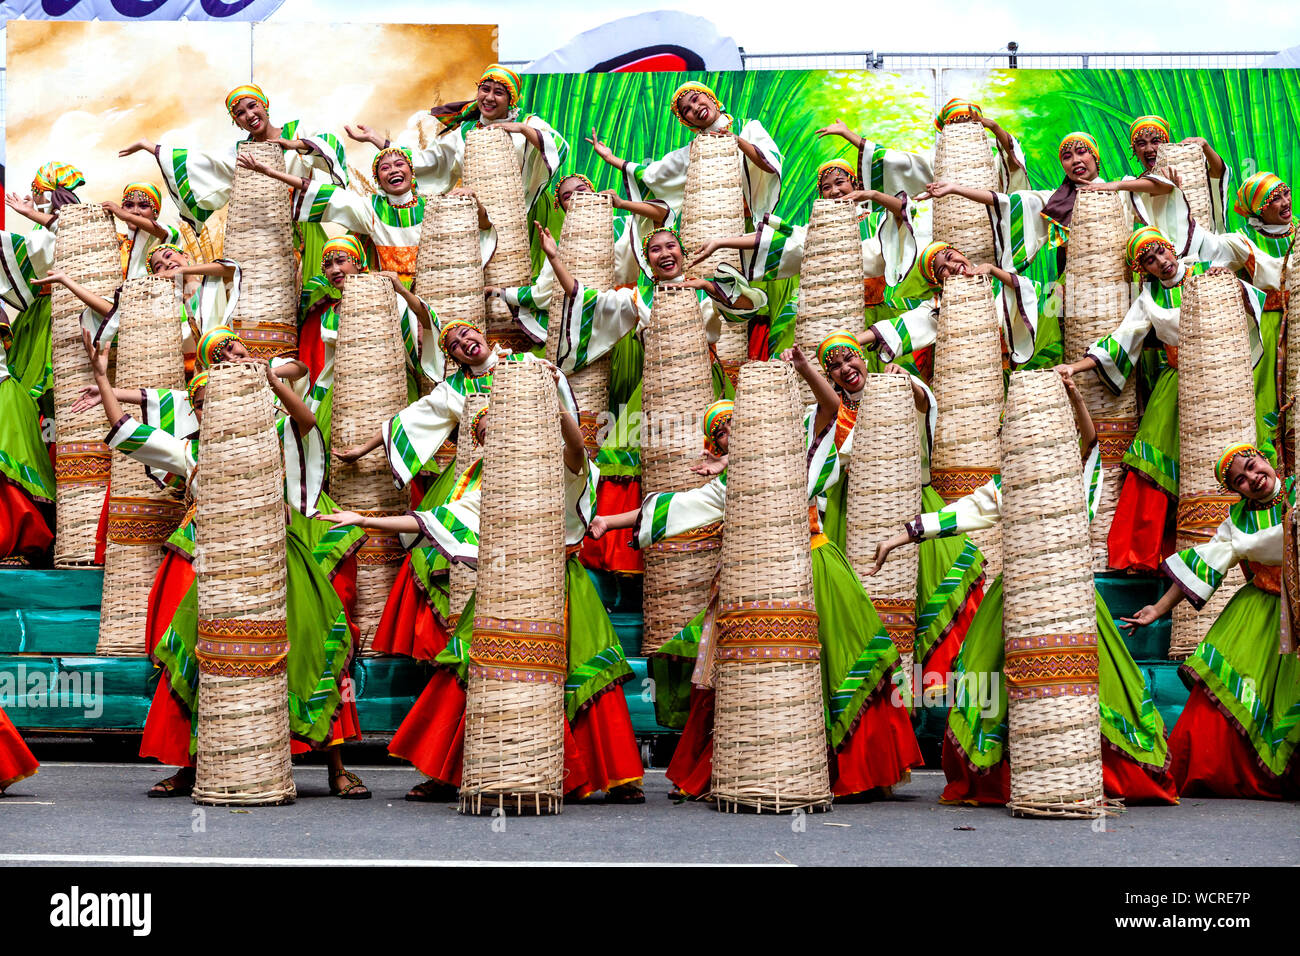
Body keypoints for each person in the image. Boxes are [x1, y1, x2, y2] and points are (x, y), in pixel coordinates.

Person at [319, 377, 646, 804]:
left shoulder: (554, 471)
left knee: (587, 671)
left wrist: (556, 408)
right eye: (487, 433)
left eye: (503, 426)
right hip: (502, 588)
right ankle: (449, 773)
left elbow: (576, 451)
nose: (495, 435)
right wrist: (364, 520)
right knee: (467, 667)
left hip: (560, 585)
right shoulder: (485, 492)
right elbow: (426, 522)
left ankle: (614, 776)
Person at [867, 368, 1177, 805]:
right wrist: (895, 539)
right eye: (1014, 437)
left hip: (1069, 599)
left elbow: (1090, 444)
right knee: (997, 680)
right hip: (1016, 596)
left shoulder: (1072, 477)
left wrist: (1074, 396)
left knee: (1085, 684)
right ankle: (1018, 771)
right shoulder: (1002, 489)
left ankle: (1082, 770)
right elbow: (952, 517)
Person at [593, 390, 922, 799]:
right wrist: (609, 521)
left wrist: (802, 368)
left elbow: (830, 410)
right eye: (722, 433)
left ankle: (861, 773)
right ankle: (763, 767)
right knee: (755, 673)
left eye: (735, 421)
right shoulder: (728, 487)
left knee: (847, 659)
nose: (731, 431)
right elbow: (673, 508)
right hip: (759, 582)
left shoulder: (798, 454)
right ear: (718, 446)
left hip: (817, 566)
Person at [87, 337, 370, 798]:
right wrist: (101, 374)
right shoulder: (189, 456)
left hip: (278, 562)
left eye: (215, 397)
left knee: (315, 651)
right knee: (198, 658)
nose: (209, 407)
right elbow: (125, 429)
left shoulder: (274, 441)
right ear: (197, 413)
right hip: (216, 572)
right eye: (201, 402)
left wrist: (269, 382)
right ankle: (190, 766)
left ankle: (336, 767)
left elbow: (308, 421)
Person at [1054, 224, 1283, 572]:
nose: (1161, 262)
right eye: (1149, 260)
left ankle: (1251, 547)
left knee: (1239, 457)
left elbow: (1257, 294)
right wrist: (1074, 366)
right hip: (1177, 386)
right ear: (1142, 270)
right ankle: (1142, 556)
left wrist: (1232, 283)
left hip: (1225, 381)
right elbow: (1120, 341)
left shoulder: (1207, 270)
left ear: (1172, 248)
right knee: (1154, 458)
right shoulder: (1148, 300)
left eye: (1162, 251)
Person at [805, 332, 986, 701]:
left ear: (863, 358)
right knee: (872, 603)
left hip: (912, 501)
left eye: (849, 359)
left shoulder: (897, 385)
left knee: (931, 594)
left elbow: (923, 402)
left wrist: (905, 384)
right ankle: (891, 704)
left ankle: (940, 696)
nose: (845, 369)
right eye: (834, 367)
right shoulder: (825, 414)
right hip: (853, 512)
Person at [1125, 443, 1299, 798]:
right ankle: (1218, 771)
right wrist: (1158, 609)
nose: (1253, 478)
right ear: (1235, 492)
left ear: (1265, 459)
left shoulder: (1296, 491)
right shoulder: (1237, 523)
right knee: (1221, 691)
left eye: (1252, 467)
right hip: (1264, 607)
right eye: (1241, 481)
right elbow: (1205, 563)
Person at [683, 161, 918, 356]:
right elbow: (773, 241)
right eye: (827, 188)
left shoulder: (877, 222)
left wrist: (873, 194)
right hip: (819, 312)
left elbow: (904, 212)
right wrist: (721, 242)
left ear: (854, 183)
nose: (835, 191)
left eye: (840, 182)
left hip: (867, 313)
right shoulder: (815, 229)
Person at [120, 83, 349, 276]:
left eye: (252, 106)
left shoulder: (298, 131)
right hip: (265, 240)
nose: (249, 115)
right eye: (239, 113)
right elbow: (201, 165)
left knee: (312, 293)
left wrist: (294, 145)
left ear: (264, 104)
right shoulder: (240, 153)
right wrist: (149, 146)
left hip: (305, 224)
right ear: (236, 121)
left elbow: (330, 143)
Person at [369, 65, 567, 265]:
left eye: (498, 92)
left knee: (521, 270)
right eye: (485, 89)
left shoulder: (528, 122)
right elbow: (429, 162)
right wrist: (380, 142)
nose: (489, 97)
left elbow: (559, 147)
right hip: (478, 216)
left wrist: (523, 129)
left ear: (511, 100)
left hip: (523, 213)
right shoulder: (465, 131)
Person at [236, 143, 492, 289]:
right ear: (378, 180)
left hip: (437, 292)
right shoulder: (370, 209)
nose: (393, 170)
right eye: (384, 167)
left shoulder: (435, 205)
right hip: (393, 298)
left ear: (412, 174)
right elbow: (318, 191)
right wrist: (270, 172)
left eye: (400, 164)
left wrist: (475, 202)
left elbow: (483, 228)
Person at [588, 80, 782, 241]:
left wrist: (737, 140)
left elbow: (769, 165)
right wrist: (609, 158)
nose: (696, 108)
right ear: (687, 121)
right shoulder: (692, 152)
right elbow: (651, 175)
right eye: (687, 110)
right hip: (716, 236)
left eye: (696, 99)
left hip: (756, 228)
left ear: (711, 97)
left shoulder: (747, 128)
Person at [815, 99, 1029, 242]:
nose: (963, 127)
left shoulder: (991, 161)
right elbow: (894, 161)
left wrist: (994, 127)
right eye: (955, 123)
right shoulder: (939, 164)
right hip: (951, 232)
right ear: (946, 130)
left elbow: (1014, 161)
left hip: (989, 233)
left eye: (970, 122)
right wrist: (849, 134)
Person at [857, 239, 1057, 376]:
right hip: (981, 380)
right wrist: (852, 340)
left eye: (950, 256)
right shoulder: (942, 308)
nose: (952, 266)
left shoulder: (996, 282)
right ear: (938, 282)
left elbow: (1028, 290)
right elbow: (901, 327)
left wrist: (992, 270)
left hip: (1032, 365)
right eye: (942, 269)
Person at [37, 242, 242, 360]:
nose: (167, 263)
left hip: (233, 354)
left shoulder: (214, 284)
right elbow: (114, 311)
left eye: (169, 256)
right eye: (159, 267)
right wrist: (66, 281)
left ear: (185, 256)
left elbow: (233, 269)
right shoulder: (168, 307)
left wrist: (183, 270)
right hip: (198, 371)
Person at [1228, 173, 1294, 461]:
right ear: (1259, 210)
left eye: (1285, 193)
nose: (1285, 202)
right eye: (1274, 199)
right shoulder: (1245, 242)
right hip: (1267, 331)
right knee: (1270, 398)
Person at [1121, 114, 1230, 233]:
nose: (1149, 149)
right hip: (1166, 248)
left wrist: (1205, 146)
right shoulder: (1135, 190)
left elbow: (1218, 172)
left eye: (1155, 141)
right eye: (1142, 144)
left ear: (1166, 145)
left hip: (1203, 240)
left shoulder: (1188, 169)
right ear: (1134, 150)